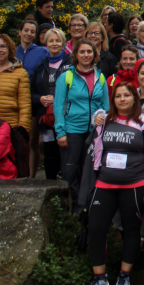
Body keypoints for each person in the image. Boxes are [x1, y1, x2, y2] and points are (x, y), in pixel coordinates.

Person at [78, 83, 144, 285]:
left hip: (134, 185)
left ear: (135, 98)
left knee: (131, 230)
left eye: (127, 95)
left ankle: (124, 275)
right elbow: (94, 150)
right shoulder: (104, 121)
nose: (122, 99)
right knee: (96, 228)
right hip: (104, 183)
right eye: (118, 96)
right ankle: (99, 278)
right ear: (113, 99)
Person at [55, 40, 110, 205]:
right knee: (70, 170)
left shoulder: (100, 77)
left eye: (89, 52)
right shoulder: (67, 77)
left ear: (94, 55)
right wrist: (60, 132)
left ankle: (89, 204)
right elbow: (58, 106)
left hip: (94, 131)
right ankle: (74, 207)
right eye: (82, 52)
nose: (86, 55)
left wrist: (103, 122)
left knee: (90, 170)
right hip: (72, 130)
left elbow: (105, 106)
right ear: (75, 55)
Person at [30, 29, 70, 180]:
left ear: (63, 43)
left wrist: (59, 98)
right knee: (49, 153)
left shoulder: (71, 63)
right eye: (51, 41)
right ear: (45, 43)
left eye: (57, 40)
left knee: (65, 153)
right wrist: (40, 99)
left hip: (66, 116)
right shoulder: (40, 66)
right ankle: (50, 187)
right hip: (46, 118)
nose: (54, 44)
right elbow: (31, 92)